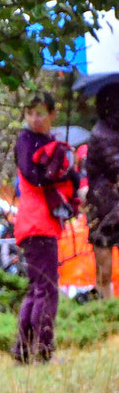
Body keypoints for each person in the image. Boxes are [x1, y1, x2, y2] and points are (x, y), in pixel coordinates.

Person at [13, 91, 83, 362]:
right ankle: (42, 349)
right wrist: (56, 167)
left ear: (53, 114)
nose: (34, 118)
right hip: (36, 223)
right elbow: (34, 176)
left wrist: (66, 166)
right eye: (29, 112)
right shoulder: (25, 140)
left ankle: (23, 350)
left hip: (41, 223)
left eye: (40, 112)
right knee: (47, 289)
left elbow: (72, 177)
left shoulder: (48, 142)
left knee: (37, 288)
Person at [84, 85, 119, 301]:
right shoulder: (102, 133)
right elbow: (115, 164)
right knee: (104, 270)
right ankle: (107, 309)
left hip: (111, 206)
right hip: (105, 208)